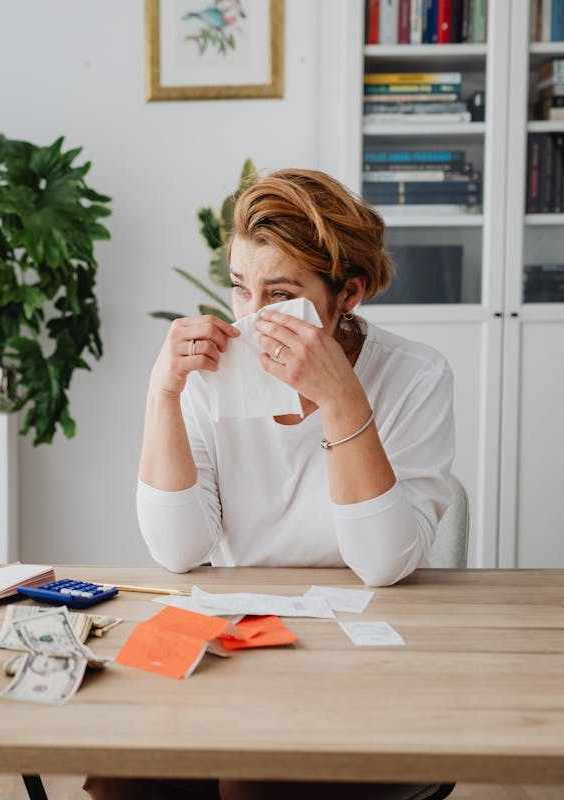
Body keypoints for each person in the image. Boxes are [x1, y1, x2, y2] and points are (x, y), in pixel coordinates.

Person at [83, 168, 455, 800]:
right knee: (124, 771)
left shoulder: (415, 376)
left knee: (255, 783)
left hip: (366, 659)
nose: (253, 318)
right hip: (241, 641)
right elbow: (178, 552)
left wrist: (340, 399)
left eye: (280, 296)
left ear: (349, 294)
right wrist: (163, 393)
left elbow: (383, 563)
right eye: (239, 288)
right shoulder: (211, 377)